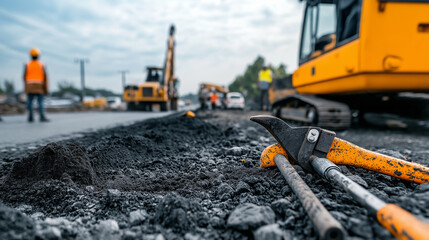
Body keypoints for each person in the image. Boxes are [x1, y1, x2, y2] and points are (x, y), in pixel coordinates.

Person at [24, 48, 49, 122]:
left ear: (30, 56)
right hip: (39, 86)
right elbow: (45, 77)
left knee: (30, 101)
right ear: (38, 56)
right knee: (40, 102)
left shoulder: (27, 64)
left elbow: (24, 76)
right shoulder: (42, 64)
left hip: (30, 85)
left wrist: (25, 86)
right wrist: (46, 88)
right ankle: (42, 116)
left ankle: (31, 116)